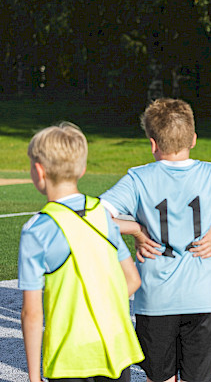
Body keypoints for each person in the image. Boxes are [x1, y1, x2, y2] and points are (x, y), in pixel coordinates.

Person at [100, 98, 211, 382]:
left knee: (159, 377)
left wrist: (135, 229)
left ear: (152, 143)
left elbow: (92, 216)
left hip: (155, 301)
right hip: (202, 301)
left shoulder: (138, 179)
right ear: (193, 139)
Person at [19, 122, 144, 382]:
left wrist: (33, 377)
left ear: (39, 171)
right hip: (115, 347)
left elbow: (32, 313)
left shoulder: (36, 230)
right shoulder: (102, 214)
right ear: (82, 169)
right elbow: (132, 279)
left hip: (70, 355)